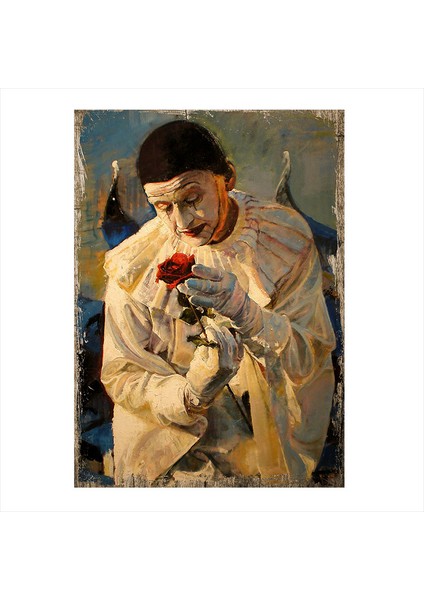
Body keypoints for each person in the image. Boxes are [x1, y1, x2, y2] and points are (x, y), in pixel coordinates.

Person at [100, 120, 336, 486]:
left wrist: (249, 315)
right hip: (169, 449)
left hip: (263, 442)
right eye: (162, 206)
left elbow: (311, 357)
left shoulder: (283, 237)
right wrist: (191, 394)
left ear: (226, 177)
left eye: (192, 199)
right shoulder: (134, 263)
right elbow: (121, 374)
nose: (181, 221)